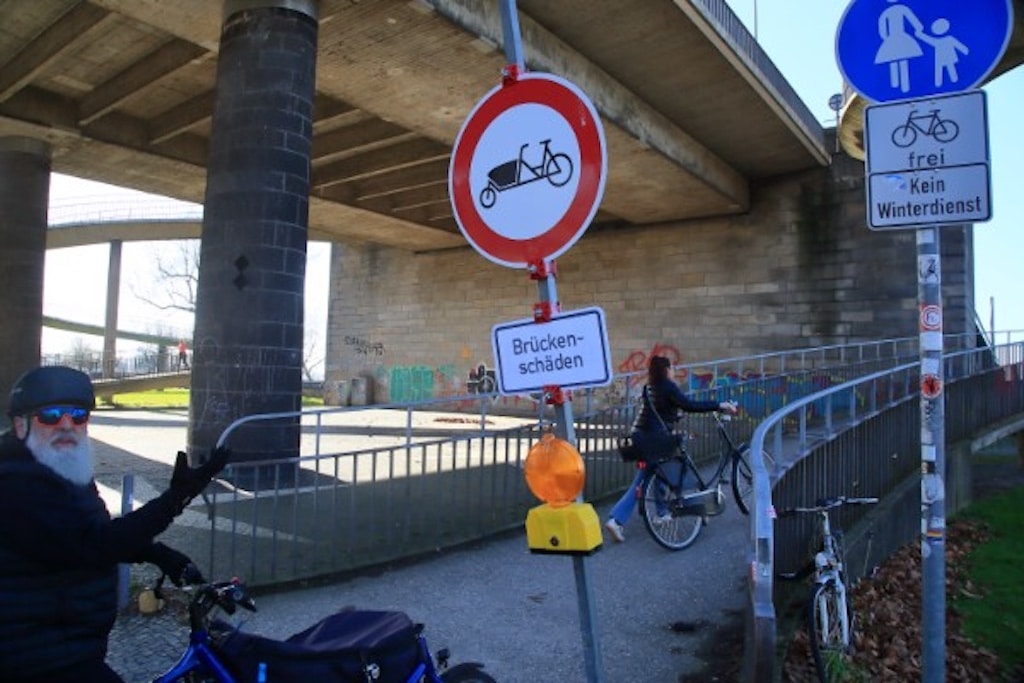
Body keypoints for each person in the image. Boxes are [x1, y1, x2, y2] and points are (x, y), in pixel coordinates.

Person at [0, 365, 229, 682]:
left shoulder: (59, 465)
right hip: (36, 655)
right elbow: (95, 545)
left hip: (68, 642)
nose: (66, 425)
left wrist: (157, 554)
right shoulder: (14, 481)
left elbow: (95, 531)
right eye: (50, 415)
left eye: (78, 416)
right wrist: (175, 499)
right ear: (20, 424)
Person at [604, 355, 738, 543]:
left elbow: (655, 412)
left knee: (654, 475)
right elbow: (689, 405)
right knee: (666, 471)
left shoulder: (648, 388)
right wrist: (719, 405)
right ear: (666, 370)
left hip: (637, 438)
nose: (674, 371)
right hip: (655, 441)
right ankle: (619, 519)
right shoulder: (668, 386)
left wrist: (673, 417)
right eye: (673, 368)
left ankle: (659, 513)